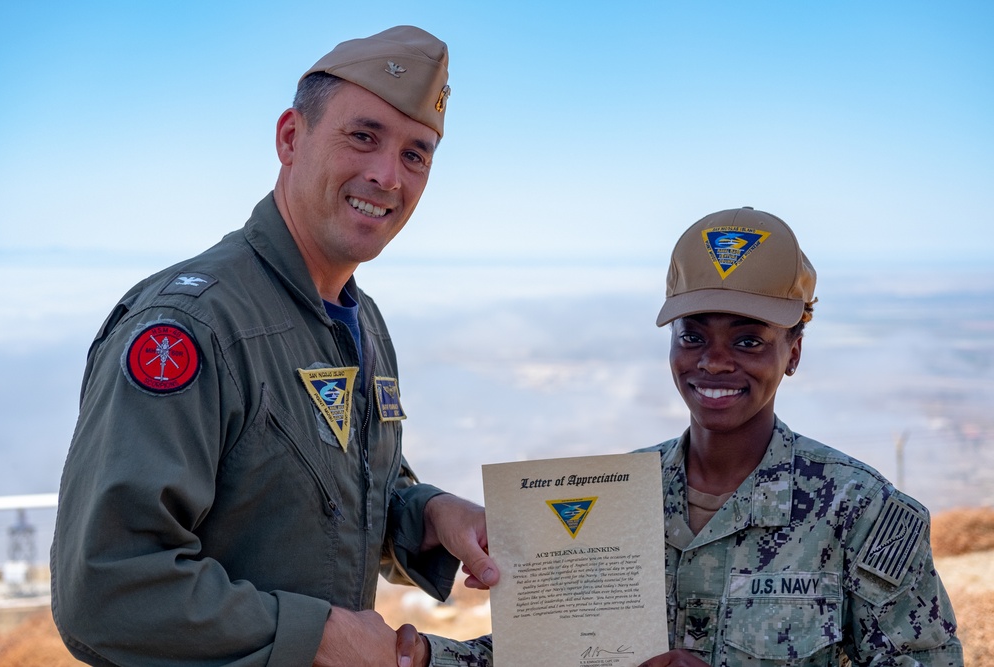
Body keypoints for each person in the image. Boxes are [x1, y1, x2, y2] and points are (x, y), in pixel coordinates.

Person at [51, 25, 498, 667]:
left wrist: (429, 514)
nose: (386, 176)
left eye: (415, 155)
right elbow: (108, 589)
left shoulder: (359, 318)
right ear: (291, 138)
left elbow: (322, 494)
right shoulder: (193, 326)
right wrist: (319, 638)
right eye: (363, 136)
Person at [408, 207, 963, 666]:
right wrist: (415, 656)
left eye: (748, 341)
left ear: (793, 351)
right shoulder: (609, 498)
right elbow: (536, 658)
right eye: (692, 336)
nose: (715, 362)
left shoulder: (862, 512)